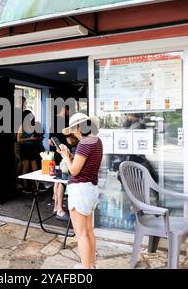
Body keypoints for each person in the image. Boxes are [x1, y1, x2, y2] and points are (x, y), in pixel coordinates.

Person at [57, 113, 103, 269]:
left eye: (73, 129)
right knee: (89, 231)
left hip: (80, 190)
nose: (73, 133)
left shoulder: (84, 143)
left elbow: (74, 171)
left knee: (81, 234)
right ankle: (91, 264)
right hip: (91, 188)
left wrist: (65, 157)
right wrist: (70, 156)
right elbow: (83, 164)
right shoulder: (97, 141)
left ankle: (86, 268)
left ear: (78, 126)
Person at [48, 103, 71, 218]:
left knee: (57, 179)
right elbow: (70, 140)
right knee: (61, 180)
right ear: (65, 109)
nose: (69, 112)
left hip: (56, 153)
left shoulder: (54, 120)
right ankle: (59, 208)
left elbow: (50, 140)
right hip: (63, 153)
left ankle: (56, 205)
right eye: (68, 110)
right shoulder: (65, 122)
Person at [17, 111, 40, 193]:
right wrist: (30, 139)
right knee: (25, 168)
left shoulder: (32, 125)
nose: (32, 116)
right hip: (24, 148)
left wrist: (37, 137)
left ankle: (36, 185)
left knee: (35, 166)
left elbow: (35, 136)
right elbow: (19, 139)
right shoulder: (22, 126)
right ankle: (25, 187)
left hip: (32, 147)